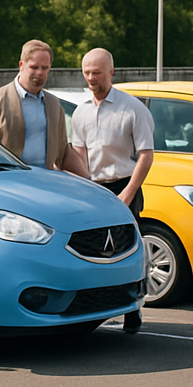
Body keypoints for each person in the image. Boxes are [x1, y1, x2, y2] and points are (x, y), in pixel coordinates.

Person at [70, 48, 155, 333]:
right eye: (87, 73)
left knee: (129, 251)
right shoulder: (80, 112)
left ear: (111, 73)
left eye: (97, 72)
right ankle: (94, 306)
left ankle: (133, 310)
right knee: (94, 251)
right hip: (93, 189)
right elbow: (79, 153)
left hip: (124, 186)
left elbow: (146, 154)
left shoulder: (133, 109)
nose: (91, 78)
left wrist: (128, 194)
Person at [0, 39, 88, 176]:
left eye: (45, 68)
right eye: (34, 67)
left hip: (45, 180)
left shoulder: (53, 104)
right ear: (21, 65)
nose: (39, 72)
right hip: (7, 181)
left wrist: (89, 181)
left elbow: (63, 152)